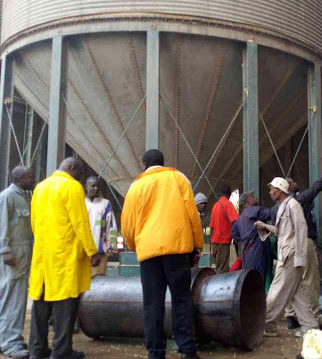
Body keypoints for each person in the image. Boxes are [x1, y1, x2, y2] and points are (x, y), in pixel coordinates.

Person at [121, 149, 203, 359]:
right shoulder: (178, 178)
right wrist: (197, 245)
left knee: (153, 302)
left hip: (149, 253)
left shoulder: (136, 186)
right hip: (177, 248)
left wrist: (134, 244)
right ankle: (187, 349)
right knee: (181, 299)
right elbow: (192, 215)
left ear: (144, 165)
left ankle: (156, 352)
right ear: (163, 162)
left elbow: (128, 223)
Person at [29, 158, 100, 359]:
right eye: (79, 174)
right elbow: (80, 223)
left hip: (42, 257)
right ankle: (61, 352)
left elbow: (34, 223)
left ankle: (37, 350)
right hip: (64, 257)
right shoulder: (72, 187)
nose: (80, 178)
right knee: (65, 306)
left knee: (40, 305)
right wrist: (91, 251)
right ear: (72, 169)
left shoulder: (40, 188)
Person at [281, 156, 322, 331]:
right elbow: (318, 185)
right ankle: (316, 318)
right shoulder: (300, 199)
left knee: (291, 280)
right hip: (303, 243)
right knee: (310, 281)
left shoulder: (280, 206)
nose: (295, 183)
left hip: (286, 245)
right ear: (288, 188)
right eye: (292, 182)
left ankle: (291, 316)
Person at [255, 178, 318, 338]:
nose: (270, 192)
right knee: (298, 293)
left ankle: (267, 324)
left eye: (272, 189)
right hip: (287, 254)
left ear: (281, 190)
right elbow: (282, 231)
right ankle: (311, 328)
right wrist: (265, 227)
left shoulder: (292, 205)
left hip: (291, 255)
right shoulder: (283, 206)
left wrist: (300, 257)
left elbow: (301, 229)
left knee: (276, 291)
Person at [0, 167, 36, 359]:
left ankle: (6, 339)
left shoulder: (24, 196)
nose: (33, 179)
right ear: (19, 178)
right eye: (30, 176)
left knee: (15, 298)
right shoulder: (8, 196)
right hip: (13, 257)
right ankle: (10, 343)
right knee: (12, 299)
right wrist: (4, 250)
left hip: (21, 256)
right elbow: (1, 224)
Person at [231, 190, 272, 282]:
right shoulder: (256, 210)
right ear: (247, 200)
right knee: (260, 279)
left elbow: (234, 233)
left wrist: (246, 237)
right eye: (252, 196)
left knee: (249, 278)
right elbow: (271, 213)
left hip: (246, 252)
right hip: (259, 249)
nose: (255, 197)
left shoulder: (240, 218)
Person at [85, 176, 118, 278]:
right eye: (92, 186)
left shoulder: (105, 204)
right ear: (86, 187)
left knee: (97, 282)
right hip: (83, 252)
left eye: (97, 186)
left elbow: (112, 227)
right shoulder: (80, 203)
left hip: (100, 252)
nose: (95, 188)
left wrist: (111, 246)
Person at [209, 184, 238, 274]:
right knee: (222, 271)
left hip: (214, 242)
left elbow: (212, 226)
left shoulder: (215, 206)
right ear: (229, 194)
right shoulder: (228, 204)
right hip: (223, 242)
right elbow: (236, 221)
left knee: (218, 267)